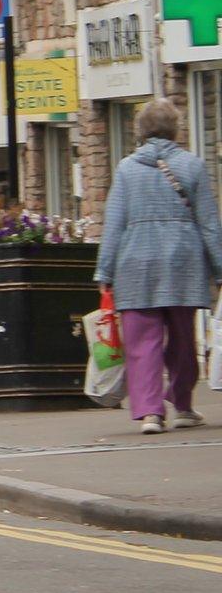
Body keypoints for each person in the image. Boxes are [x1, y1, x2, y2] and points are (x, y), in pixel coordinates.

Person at [94, 99, 221, 435]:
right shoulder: (193, 166)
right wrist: (220, 268)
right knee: (182, 340)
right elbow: (209, 223)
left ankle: (150, 413)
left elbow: (115, 223)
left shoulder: (126, 169)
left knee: (142, 344)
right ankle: (182, 405)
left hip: (135, 265)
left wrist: (104, 272)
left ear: (141, 131)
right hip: (183, 262)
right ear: (175, 129)